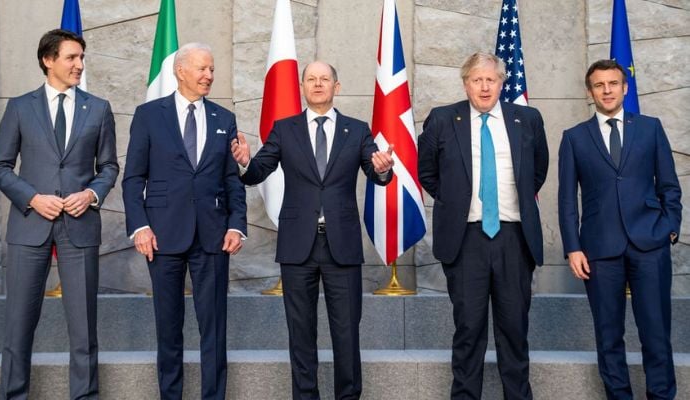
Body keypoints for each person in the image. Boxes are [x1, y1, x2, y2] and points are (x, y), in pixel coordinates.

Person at [231, 61, 394, 400]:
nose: (318, 84)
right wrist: (245, 160)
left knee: (346, 333)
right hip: (297, 245)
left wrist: (382, 169)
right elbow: (259, 170)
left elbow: (375, 170)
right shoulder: (284, 128)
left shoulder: (357, 129)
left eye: (325, 79)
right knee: (300, 333)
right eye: (311, 79)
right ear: (302, 87)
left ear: (337, 86)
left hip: (342, 245)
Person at [0, 29, 118, 400]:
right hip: (30, 227)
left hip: (79, 226)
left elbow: (109, 166)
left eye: (81, 58)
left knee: (83, 330)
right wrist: (32, 198)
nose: (79, 65)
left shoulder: (98, 108)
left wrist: (91, 194)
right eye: (71, 58)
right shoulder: (19, 107)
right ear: (48, 60)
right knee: (17, 326)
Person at [418, 52, 548, 399]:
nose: (485, 86)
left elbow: (537, 172)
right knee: (468, 331)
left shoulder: (528, 118)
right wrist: (458, 201)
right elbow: (427, 173)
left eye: (491, 79)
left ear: (502, 83)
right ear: (466, 84)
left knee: (514, 332)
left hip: (514, 238)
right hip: (466, 240)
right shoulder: (444, 119)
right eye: (477, 79)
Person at [122, 42, 247, 400]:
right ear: (180, 71)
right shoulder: (148, 115)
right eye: (202, 69)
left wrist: (237, 224)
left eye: (211, 69)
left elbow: (231, 180)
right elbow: (133, 178)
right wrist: (140, 226)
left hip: (213, 237)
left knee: (214, 329)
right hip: (162, 237)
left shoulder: (224, 119)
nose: (209, 75)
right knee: (168, 327)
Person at [558, 59, 681, 399]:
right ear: (590, 92)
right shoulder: (574, 138)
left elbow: (669, 185)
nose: (607, 90)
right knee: (608, 335)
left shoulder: (650, 128)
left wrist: (670, 228)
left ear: (625, 88)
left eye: (613, 83)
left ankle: (661, 395)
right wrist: (573, 246)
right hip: (598, 249)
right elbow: (567, 199)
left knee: (656, 332)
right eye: (599, 85)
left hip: (650, 244)